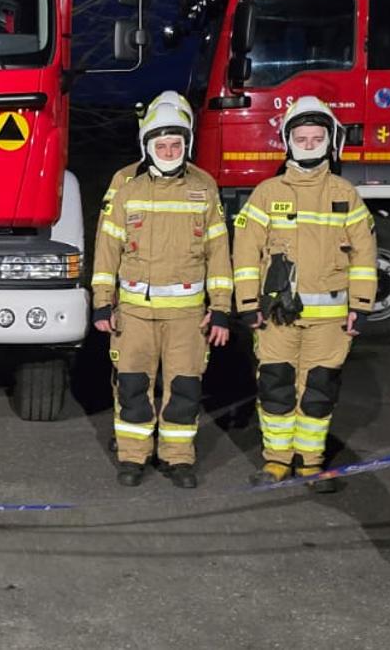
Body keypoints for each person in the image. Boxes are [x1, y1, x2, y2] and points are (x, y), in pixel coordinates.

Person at [230, 96, 377, 492]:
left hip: (329, 318)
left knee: (318, 391)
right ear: (287, 141)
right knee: (275, 386)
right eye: (302, 136)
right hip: (277, 315)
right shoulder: (266, 193)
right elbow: (245, 253)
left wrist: (360, 307)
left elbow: (365, 256)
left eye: (316, 137)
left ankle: (310, 464)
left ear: (331, 142)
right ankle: (277, 461)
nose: (309, 144)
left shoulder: (346, 195)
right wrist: (247, 306)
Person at [90, 91, 232, 489]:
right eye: (161, 144)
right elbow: (107, 249)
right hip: (133, 311)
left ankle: (178, 458)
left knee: (184, 387)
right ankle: (133, 457)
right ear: (147, 146)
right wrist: (103, 304)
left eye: (176, 144)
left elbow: (219, 252)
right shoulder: (126, 187)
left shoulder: (205, 188)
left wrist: (220, 309)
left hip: (188, 313)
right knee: (133, 385)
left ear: (186, 145)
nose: (169, 150)